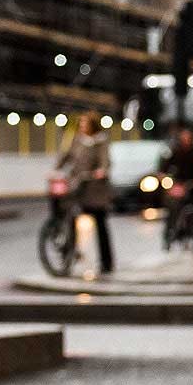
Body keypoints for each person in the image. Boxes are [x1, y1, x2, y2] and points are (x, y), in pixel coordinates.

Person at [55, 114, 114, 275]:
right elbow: (66, 156)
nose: (81, 126)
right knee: (70, 216)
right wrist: (56, 169)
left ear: (93, 125)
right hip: (78, 186)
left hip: (95, 188)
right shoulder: (77, 140)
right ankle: (69, 255)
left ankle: (106, 263)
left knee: (100, 224)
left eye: (84, 123)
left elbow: (105, 160)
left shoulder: (101, 141)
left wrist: (102, 170)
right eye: (80, 123)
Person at [161, 125, 193, 253]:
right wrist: (168, 178)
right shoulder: (176, 151)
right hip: (179, 184)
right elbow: (166, 167)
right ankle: (168, 237)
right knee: (172, 209)